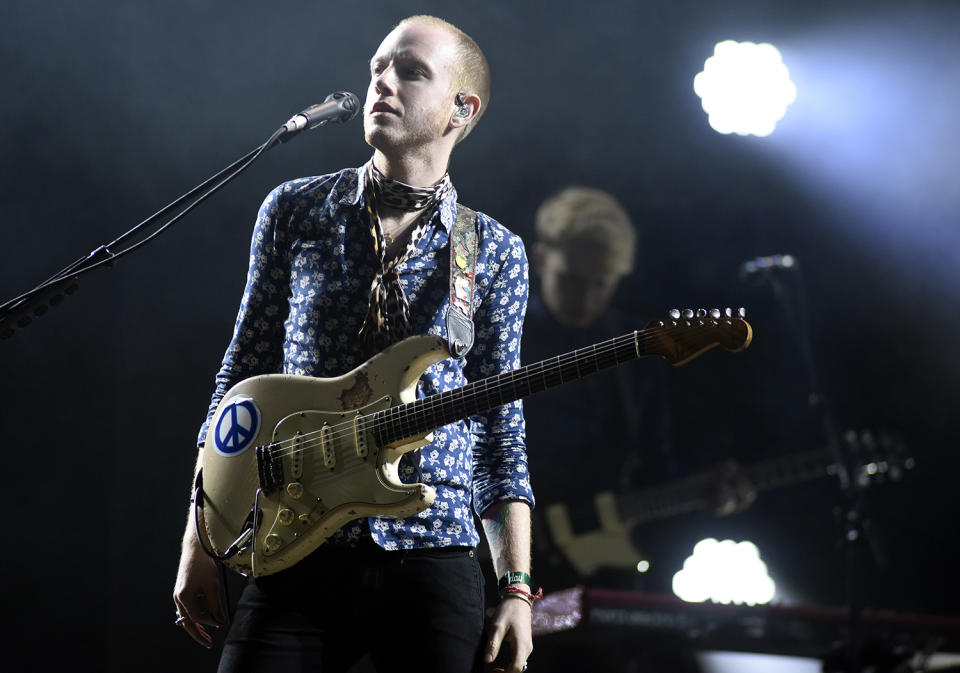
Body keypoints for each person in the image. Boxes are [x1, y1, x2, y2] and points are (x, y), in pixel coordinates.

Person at [172, 15, 535, 673]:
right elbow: (240, 386)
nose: (382, 83)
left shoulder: (492, 251)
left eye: (411, 71)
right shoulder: (296, 210)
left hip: (433, 556)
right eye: (377, 68)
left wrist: (516, 587)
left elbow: (501, 430)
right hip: (294, 544)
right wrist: (199, 540)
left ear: (462, 108)